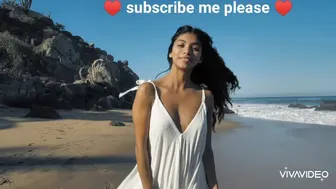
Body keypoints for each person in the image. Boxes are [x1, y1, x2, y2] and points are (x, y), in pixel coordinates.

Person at [117, 25, 240, 189]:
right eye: (181, 45)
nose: (187, 51)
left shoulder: (206, 97)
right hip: (153, 184)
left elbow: (206, 151)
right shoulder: (148, 91)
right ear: (170, 52)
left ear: (201, 58)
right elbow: (141, 148)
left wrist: (214, 184)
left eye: (195, 48)